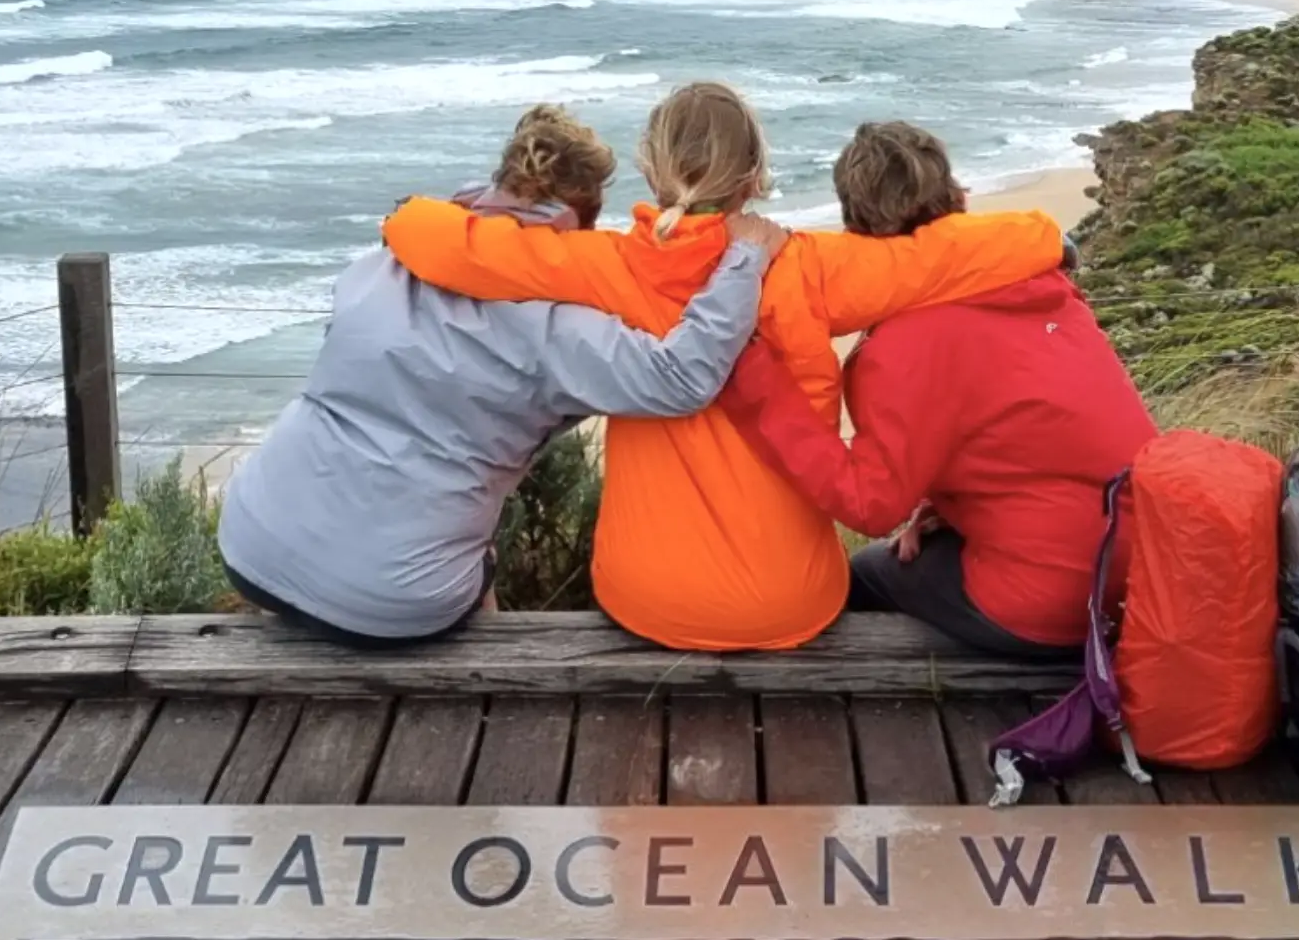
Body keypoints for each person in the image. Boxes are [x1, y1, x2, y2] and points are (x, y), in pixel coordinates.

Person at [379, 82, 1067, 651]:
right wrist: (1045, 234)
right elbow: (982, 249)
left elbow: (432, 240)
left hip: (646, 601)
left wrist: (406, 213)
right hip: (791, 603)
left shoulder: (603, 267)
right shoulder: (809, 266)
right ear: (756, 177)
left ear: (651, 168)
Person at [217, 104, 786, 645]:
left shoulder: (381, 262)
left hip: (249, 540)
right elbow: (680, 378)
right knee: (476, 566)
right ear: (580, 221)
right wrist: (744, 260)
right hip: (395, 597)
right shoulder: (556, 328)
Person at [720, 120, 1157, 658]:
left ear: (854, 227)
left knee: (861, 576)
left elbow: (869, 504)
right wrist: (946, 502)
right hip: (1142, 568)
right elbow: (1026, 429)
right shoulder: (1043, 285)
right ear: (955, 197)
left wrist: (762, 386)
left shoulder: (909, 341)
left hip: (1056, 599)